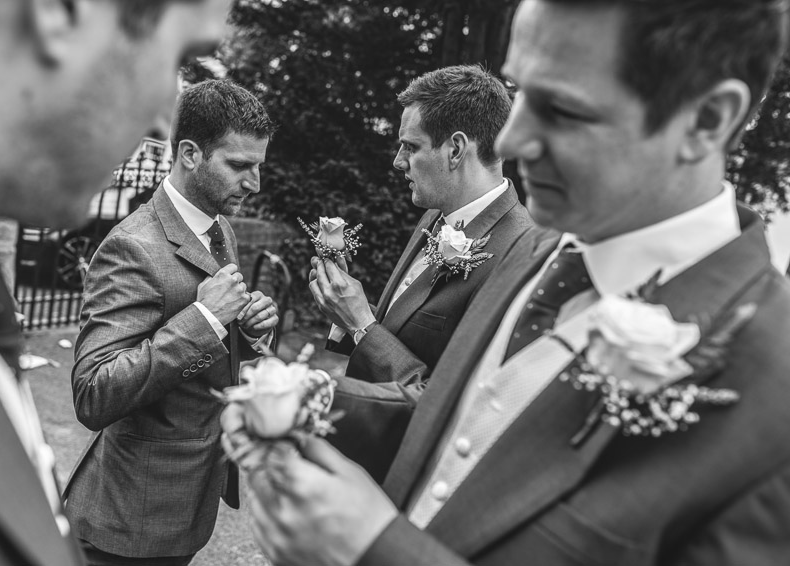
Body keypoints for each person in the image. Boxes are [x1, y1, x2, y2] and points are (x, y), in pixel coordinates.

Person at [222, 0, 790, 565]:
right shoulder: (535, 248)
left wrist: (375, 551)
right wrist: (305, 399)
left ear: (706, 120)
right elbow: (453, 425)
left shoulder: (773, 390)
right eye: (522, 95)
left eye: (563, 106)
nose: (512, 142)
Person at [0, 0, 233, 564]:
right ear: (63, 13)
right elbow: (95, 391)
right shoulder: (131, 243)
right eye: (178, 55)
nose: (160, 122)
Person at [63, 78, 277, 566]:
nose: (254, 183)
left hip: (187, 501)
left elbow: (213, 346)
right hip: (128, 521)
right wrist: (204, 318)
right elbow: (94, 392)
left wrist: (247, 328)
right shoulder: (132, 246)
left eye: (259, 166)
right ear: (190, 154)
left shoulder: (218, 226)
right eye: (240, 166)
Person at [311, 66, 530, 479]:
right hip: (363, 456)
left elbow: (448, 401)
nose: (398, 162)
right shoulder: (434, 215)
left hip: (409, 476)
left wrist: (361, 325)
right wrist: (345, 311)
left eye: (410, 147)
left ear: (456, 149)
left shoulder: (519, 252)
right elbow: (410, 328)